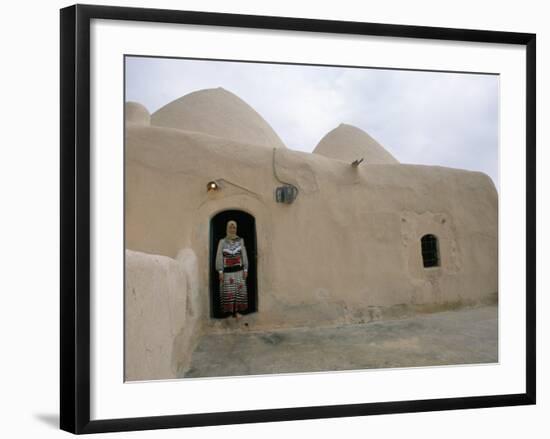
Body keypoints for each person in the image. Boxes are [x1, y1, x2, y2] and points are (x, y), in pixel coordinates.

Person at [215, 220, 249, 318]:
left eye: (234, 227)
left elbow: (244, 255)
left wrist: (245, 269)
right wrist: (220, 271)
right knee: (229, 292)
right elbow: (219, 256)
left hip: (239, 271)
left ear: (236, 229)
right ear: (227, 228)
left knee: (239, 292)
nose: (232, 229)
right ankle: (229, 313)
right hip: (227, 273)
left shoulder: (240, 240)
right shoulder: (222, 242)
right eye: (230, 227)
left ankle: (237, 312)